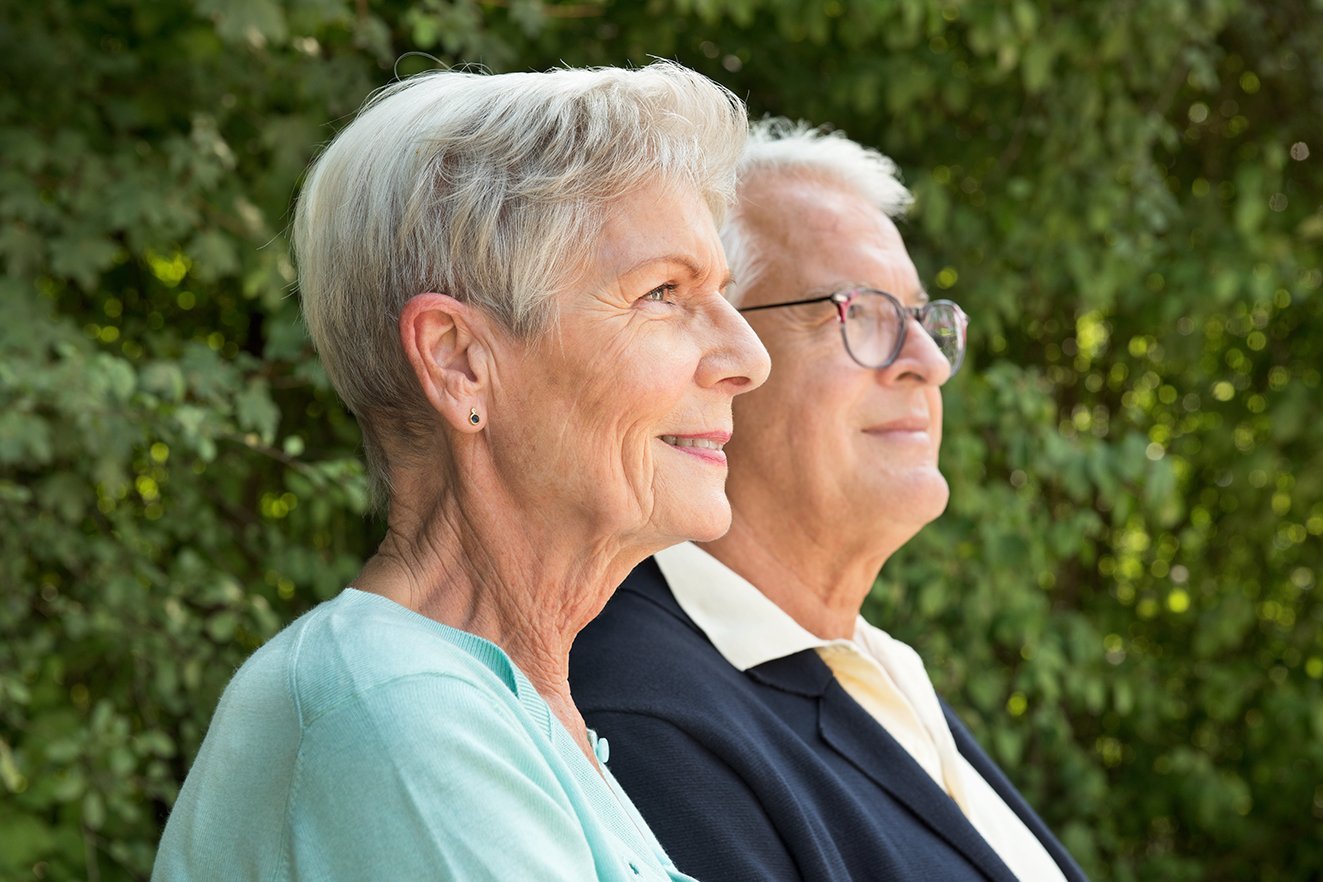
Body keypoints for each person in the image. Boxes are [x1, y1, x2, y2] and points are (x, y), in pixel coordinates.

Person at [152, 63, 770, 880]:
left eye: (720, 293)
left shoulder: (503, 709)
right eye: (662, 292)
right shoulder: (394, 707)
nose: (746, 358)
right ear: (458, 363)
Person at [570, 119, 1089, 882]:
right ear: (718, 358)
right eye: (862, 314)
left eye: (921, 319)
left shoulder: (872, 665)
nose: (925, 364)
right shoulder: (641, 718)